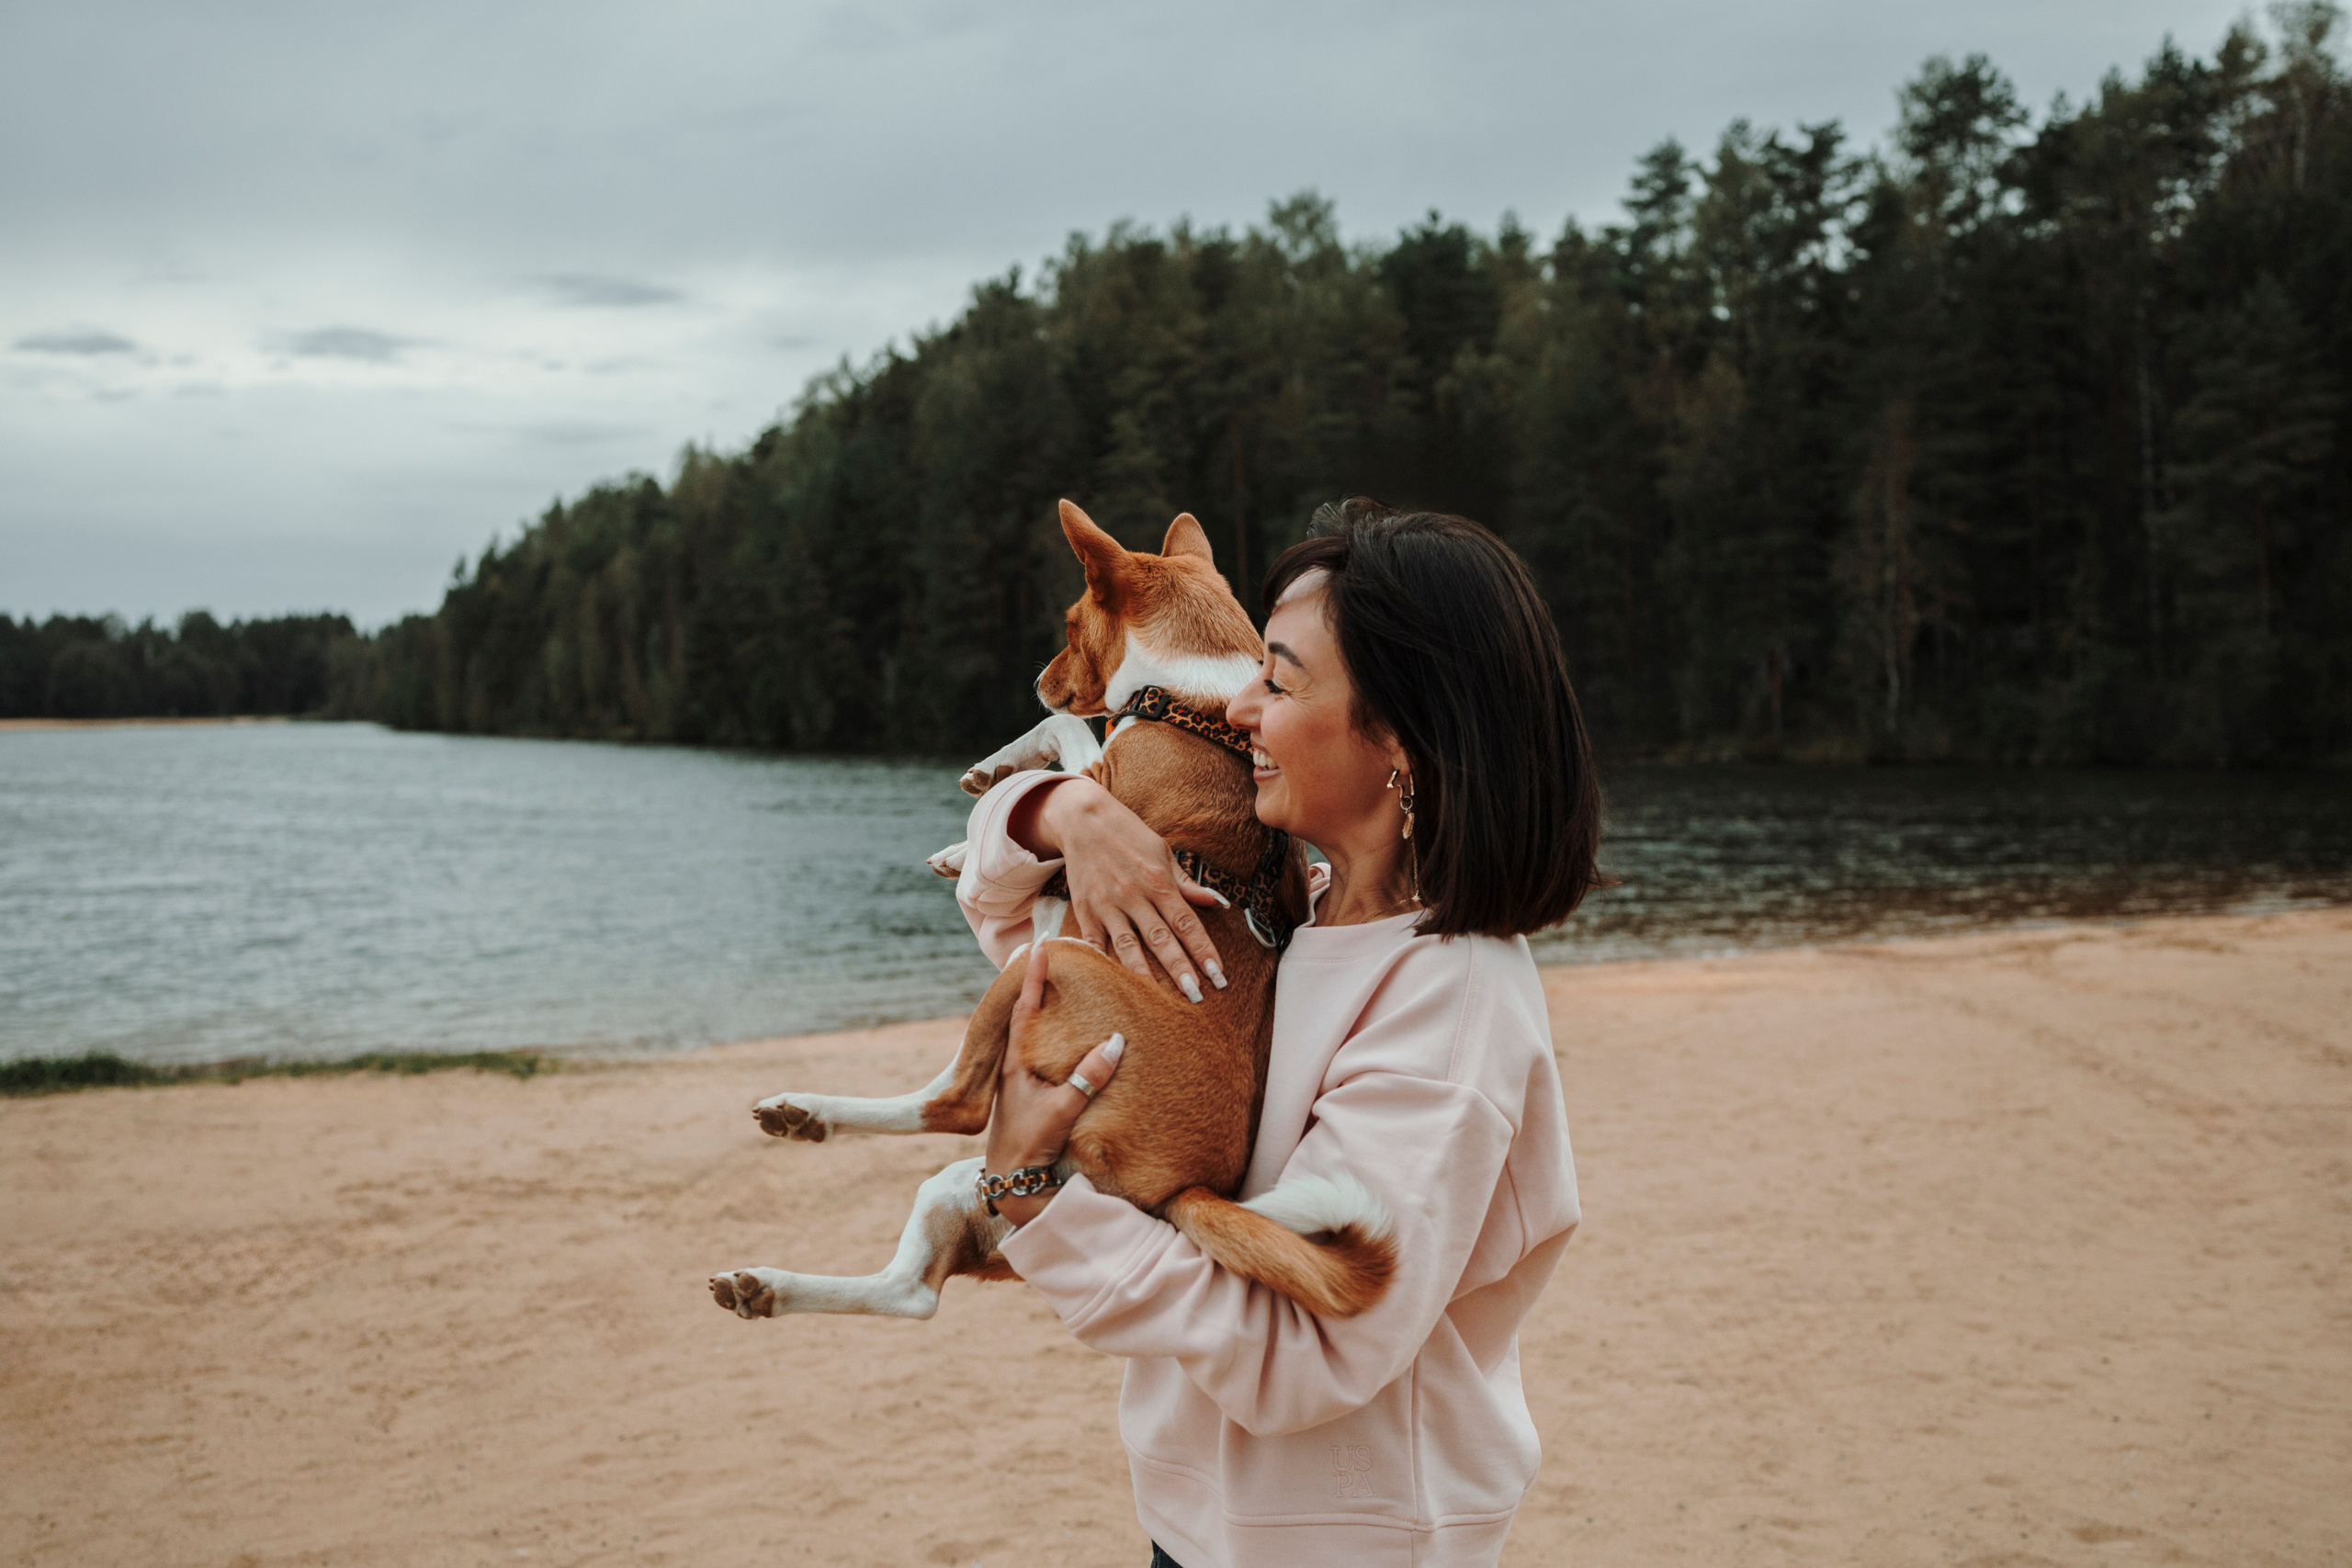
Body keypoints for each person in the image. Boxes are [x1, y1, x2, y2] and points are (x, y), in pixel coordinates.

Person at [956, 499, 1601, 1568]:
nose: (1241, 707)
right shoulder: (1281, 909)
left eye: (1281, 678)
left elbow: (1304, 1350)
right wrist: (1061, 816)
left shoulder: (1448, 1005)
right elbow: (1011, 924)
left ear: (1399, 740)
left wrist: (1033, 1194)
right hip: (1199, 1522)